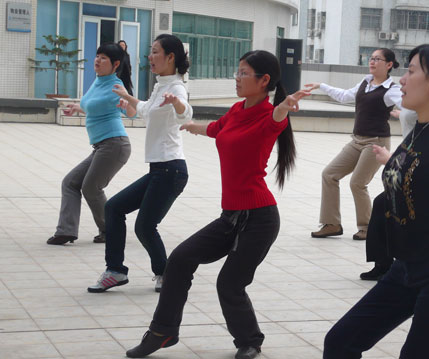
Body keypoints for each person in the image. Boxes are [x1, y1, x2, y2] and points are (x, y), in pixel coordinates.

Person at [125, 50, 310, 359]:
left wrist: (284, 107)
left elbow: (277, 117)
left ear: (264, 80)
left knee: (229, 283)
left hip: (260, 218)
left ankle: (249, 341)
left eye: (243, 73)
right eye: (237, 71)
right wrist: (191, 126)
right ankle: (162, 332)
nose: (236, 78)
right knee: (180, 259)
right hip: (231, 216)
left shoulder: (269, 115)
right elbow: (216, 129)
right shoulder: (237, 110)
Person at [323, 44, 429, 358]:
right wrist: (391, 160)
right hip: (404, 270)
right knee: (340, 342)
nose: (402, 79)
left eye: (412, 71)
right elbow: (418, 168)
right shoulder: (418, 130)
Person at [87, 34, 192, 293]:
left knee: (145, 226)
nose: (150, 57)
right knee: (114, 208)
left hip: (171, 169)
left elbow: (185, 114)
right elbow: (146, 110)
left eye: (155, 52)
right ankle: (116, 271)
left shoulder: (176, 88)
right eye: (150, 51)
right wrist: (128, 98)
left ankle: (166, 274)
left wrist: (178, 104)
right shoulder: (161, 85)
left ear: (170, 57)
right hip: (159, 169)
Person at [307, 48, 402, 240]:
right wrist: (322, 86)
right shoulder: (365, 82)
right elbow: (344, 96)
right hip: (357, 140)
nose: (372, 62)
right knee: (329, 174)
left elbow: (410, 105)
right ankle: (331, 223)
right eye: (371, 58)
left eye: (377, 59)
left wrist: (405, 114)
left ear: (389, 65)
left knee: (357, 183)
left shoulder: (392, 89)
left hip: (376, 142)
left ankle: (367, 228)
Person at [359, 104, 429, 281]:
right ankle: (383, 263)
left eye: (411, 74)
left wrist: (390, 160)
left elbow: (428, 164)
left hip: (421, 182)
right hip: (409, 166)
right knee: (382, 203)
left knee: (391, 207)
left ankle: (397, 263)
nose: (404, 81)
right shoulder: (418, 111)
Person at [46, 43, 133, 245]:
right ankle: (66, 231)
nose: (97, 60)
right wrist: (77, 108)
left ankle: (112, 231)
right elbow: (95, 108)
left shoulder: (116, 86)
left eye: (104, 58)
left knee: (91, 188)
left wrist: (127, 105)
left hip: (115, 145)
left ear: (115, 64)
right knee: (70, 182)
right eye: (97, 56)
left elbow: (132, 112)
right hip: (102, 146)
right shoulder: (98, 81)